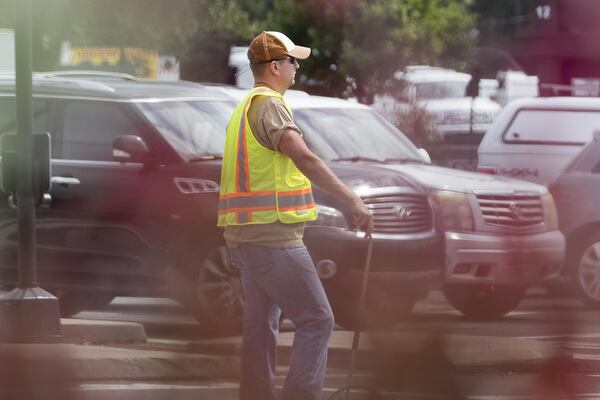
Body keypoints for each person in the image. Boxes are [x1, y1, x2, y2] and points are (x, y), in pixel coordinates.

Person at [218, 31, 374, 400]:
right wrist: (353, 199)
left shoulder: (245, 107)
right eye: (292, 61)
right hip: (272, 238)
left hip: (246, 236)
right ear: (275, 66)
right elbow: (304, 156)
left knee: (261, 326)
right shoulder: (270, 104)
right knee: (318, 320)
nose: (297, 66)